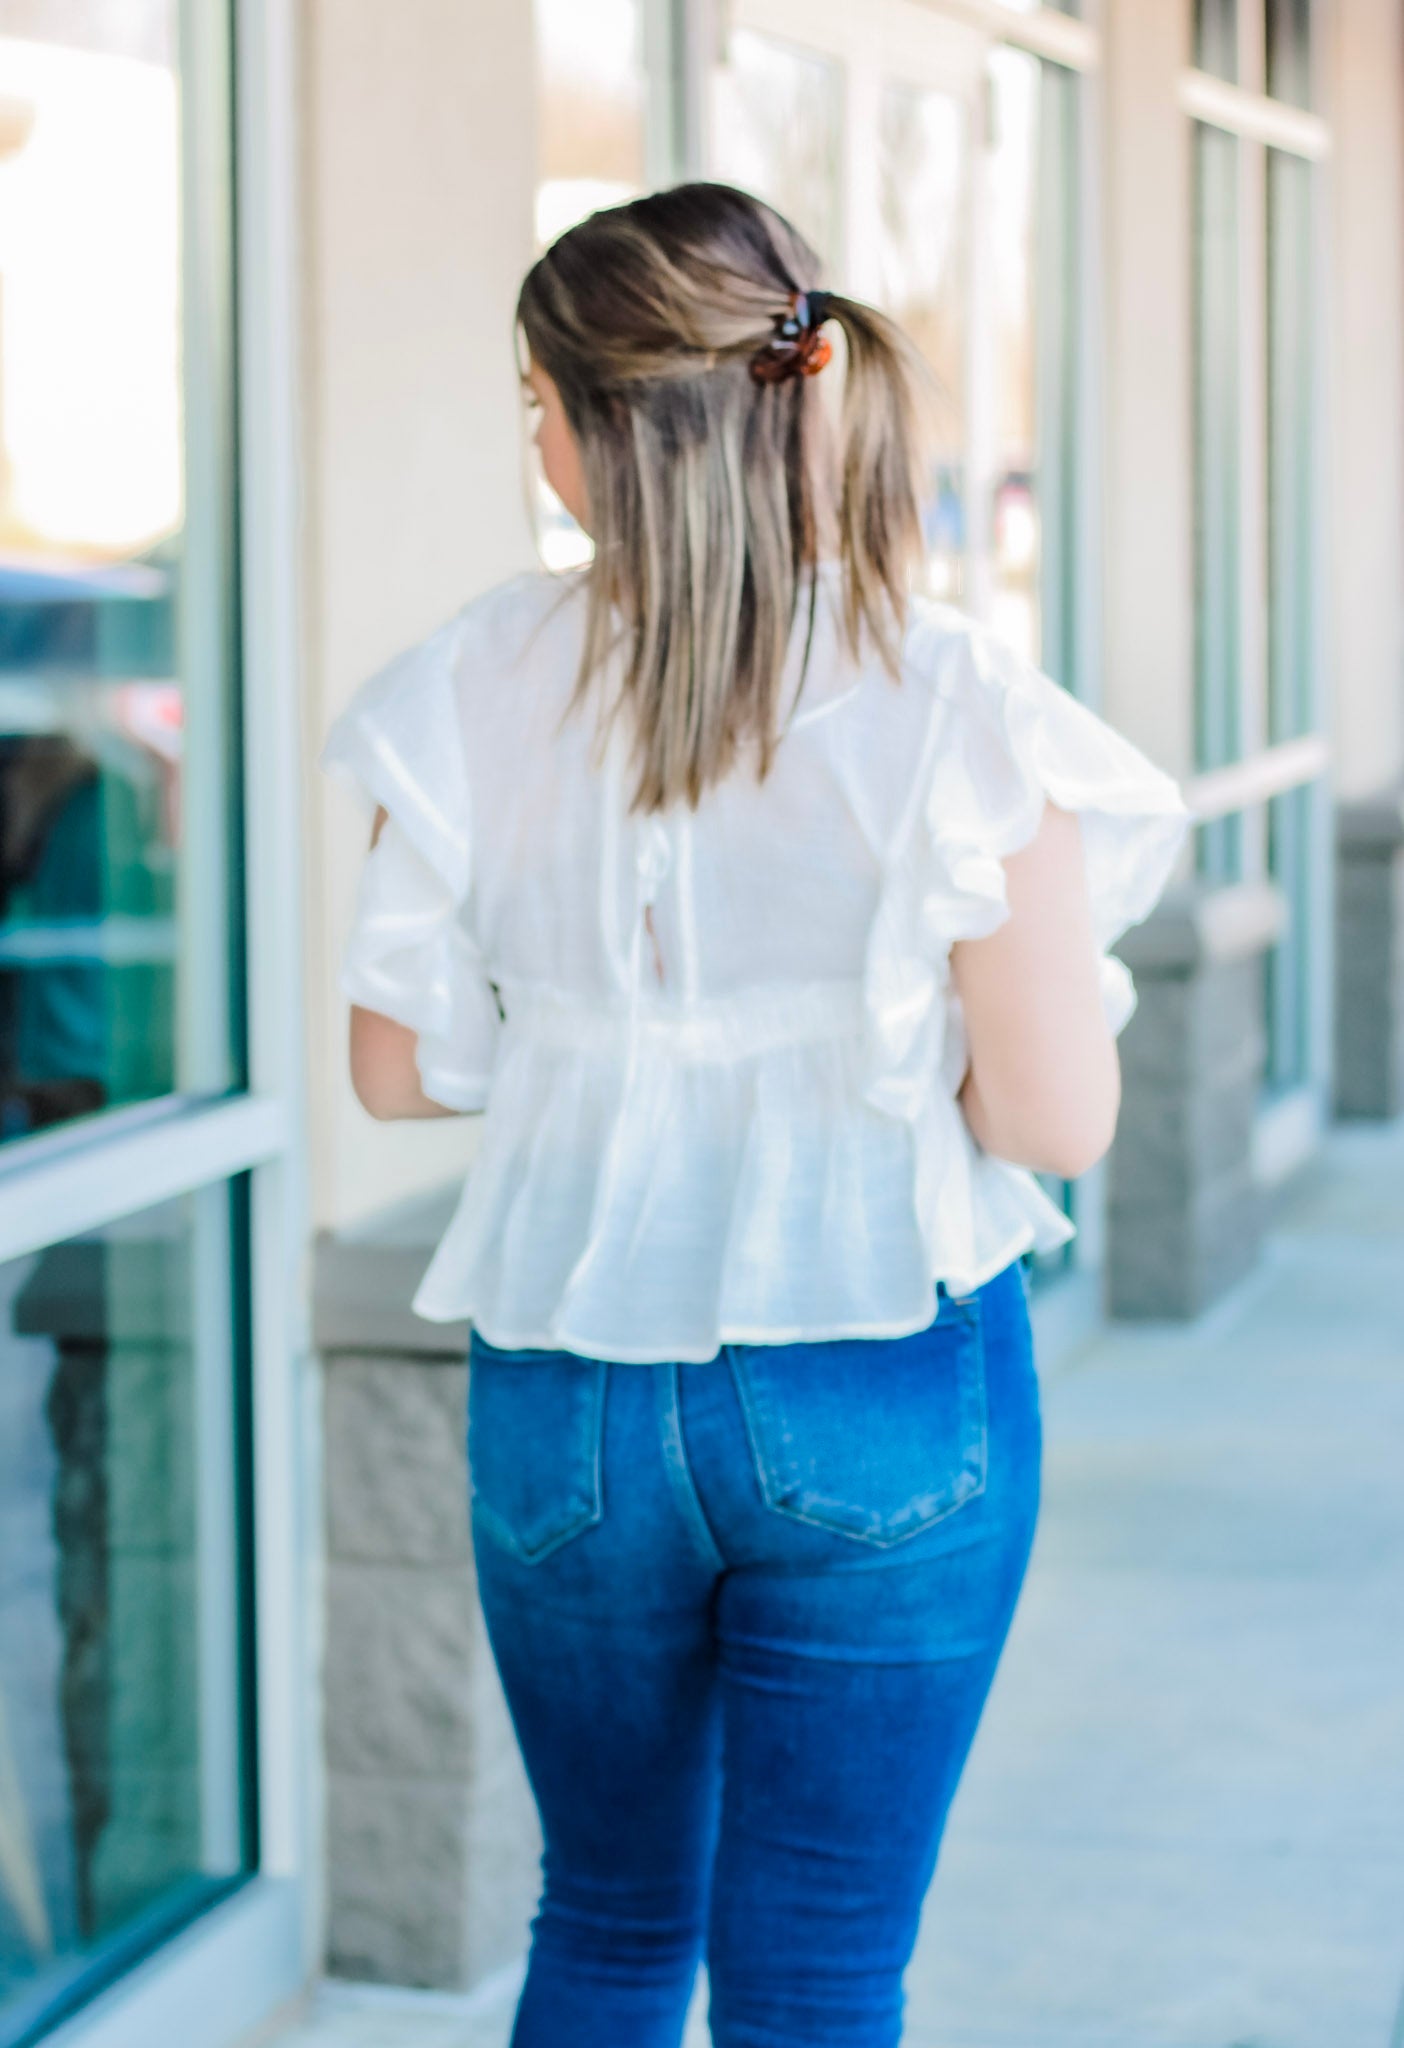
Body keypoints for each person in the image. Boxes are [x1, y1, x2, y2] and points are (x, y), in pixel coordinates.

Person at [319, 181, 1189, 2048]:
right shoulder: (950, 702)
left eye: (535, 403)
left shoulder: (468, 681)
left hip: (568, 1383)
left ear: (601, 426)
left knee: (606, 1924)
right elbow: (1055, 1119)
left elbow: (395, 1070)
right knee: (818, 1975)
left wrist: (592, 1040)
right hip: (882, 1372)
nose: (532, 441)